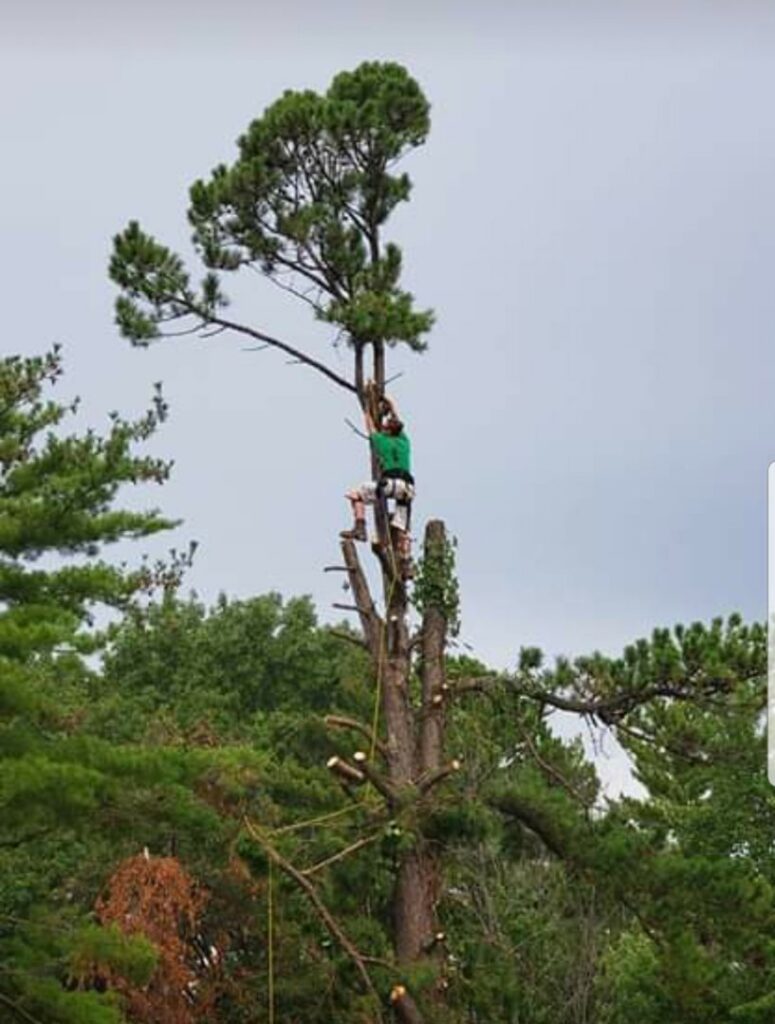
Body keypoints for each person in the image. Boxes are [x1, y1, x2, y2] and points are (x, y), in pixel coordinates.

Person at [341, 389, 415, 569]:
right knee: (402, 526)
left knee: (355, 495)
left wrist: (366, 407)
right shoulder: (404, 441)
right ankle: (405, 562)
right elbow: (397, 419)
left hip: (389, 484)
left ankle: (360, 527)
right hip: (408, 489)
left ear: (388, 430)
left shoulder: (382, 441)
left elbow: (370, 427)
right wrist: (391, 404)